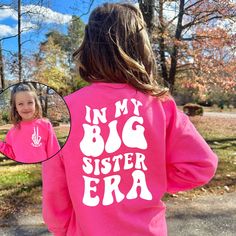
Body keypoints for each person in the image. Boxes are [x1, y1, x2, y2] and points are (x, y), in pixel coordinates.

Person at [42, 3, 218, 236]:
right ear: (141, 48)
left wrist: (63, 229)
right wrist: (152, 178)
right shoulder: (159, 104)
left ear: (89, 49)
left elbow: (55, 190)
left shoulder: (65, 110)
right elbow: (201, 165)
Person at [0, 82, 60, 164]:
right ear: (15, 107)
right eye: (20, 104)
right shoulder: (12, 133)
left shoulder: (45, 125)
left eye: (30, 102)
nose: (26, 107)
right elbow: (11, 154)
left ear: (35, 104)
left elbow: (54, 152)